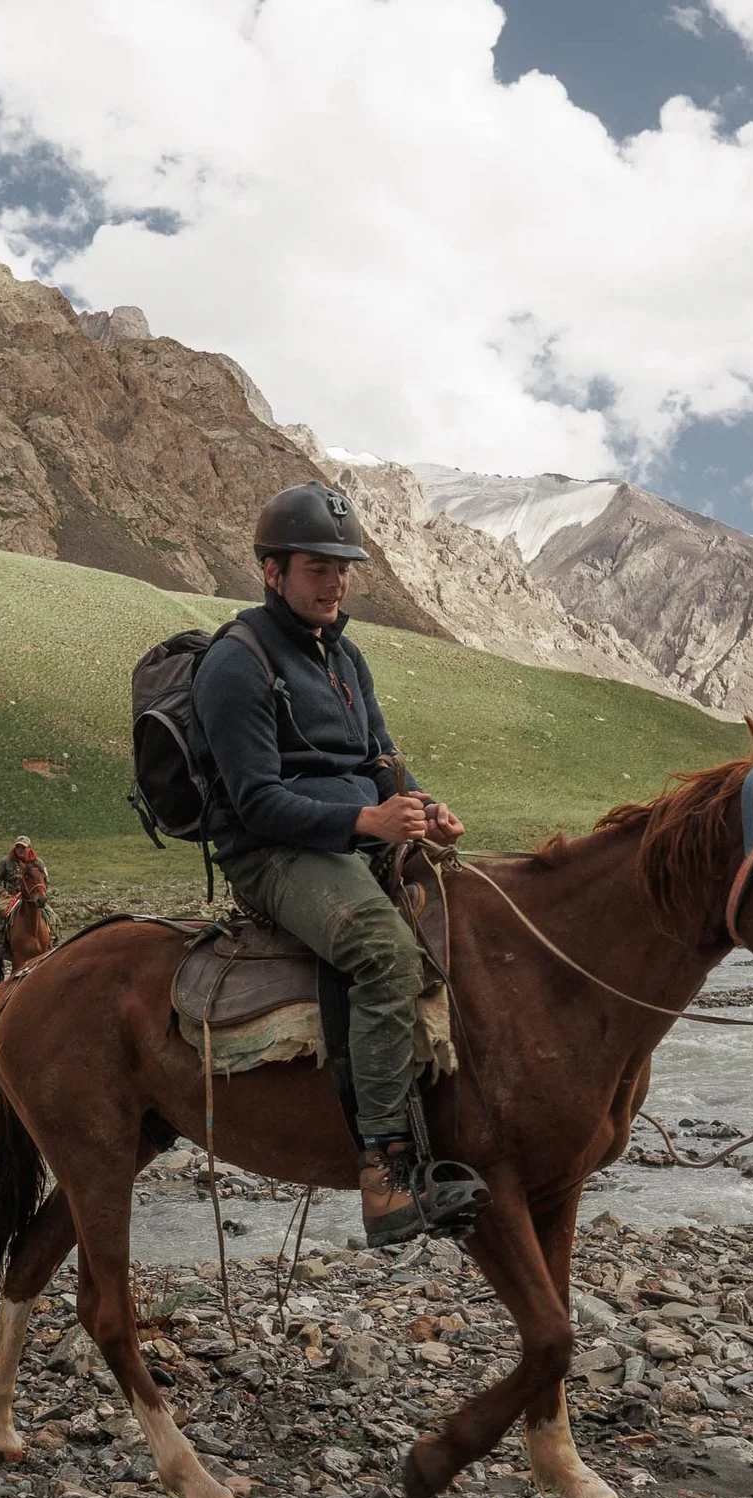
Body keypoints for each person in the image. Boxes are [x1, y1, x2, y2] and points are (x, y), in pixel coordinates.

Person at [190, 481, 475, 1248]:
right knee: (383, 952)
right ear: (272, 570)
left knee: (480, 910)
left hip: (356, 833)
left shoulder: (345, 652)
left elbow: (381, 758)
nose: (336, 582)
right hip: (276, 852)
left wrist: (422, 806)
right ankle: (384, 1171)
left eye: (344, 567)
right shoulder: (236, 663)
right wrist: (366, 820)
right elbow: (257, 803)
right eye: (319, 567)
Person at [0, 836, 49, 913]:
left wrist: (41, 893)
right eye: (17, 847)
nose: (20, 850)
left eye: (23, 847)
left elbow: (45, 880)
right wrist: (1, 892)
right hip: (10, 897)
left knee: (52, 917)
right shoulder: (5, 861)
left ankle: (56, 925)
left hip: (34, 897)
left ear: (29, 848)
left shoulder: (38, 863)